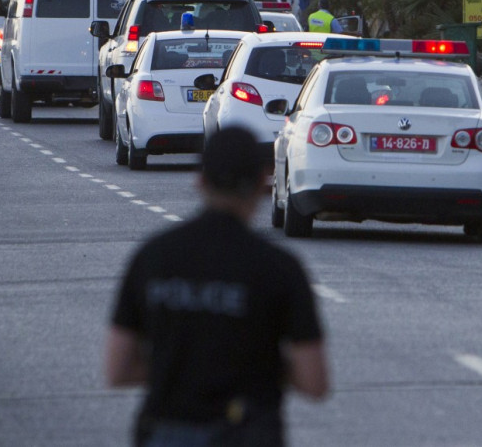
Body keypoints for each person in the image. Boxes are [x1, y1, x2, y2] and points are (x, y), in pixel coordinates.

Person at [105, 126, 329, 446]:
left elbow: (117, 369)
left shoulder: (153, 257)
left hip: (167, 429)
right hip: (247, 432)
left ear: (200, 180)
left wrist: (179, 362)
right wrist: (259, 365)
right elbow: (314, 381)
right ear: (261, 183)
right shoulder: (279, 268)